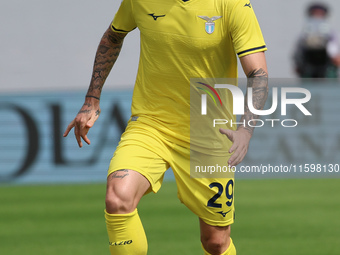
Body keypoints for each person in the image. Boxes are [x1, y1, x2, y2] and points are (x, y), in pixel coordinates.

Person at [63, 0, 268, 254]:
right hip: (151, 124)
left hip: (210, 135)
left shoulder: (231, 4)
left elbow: (257, 73)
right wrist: (91, 99)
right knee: (117, 197)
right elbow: (112, 37)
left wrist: (246, 130)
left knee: (215, 242)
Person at [293, 2, 340, 78]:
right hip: (308, 71)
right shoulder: (304, 35)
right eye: (314, 14)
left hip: (327, 72)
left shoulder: (331, 34)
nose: (317, 17)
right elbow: (298, 54)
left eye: (320, 14)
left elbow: (336, 58)